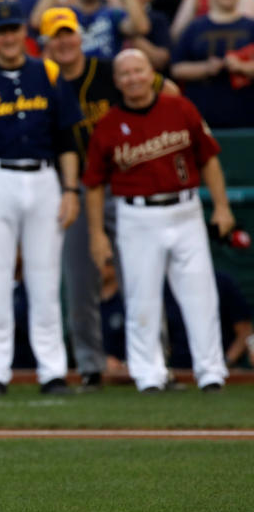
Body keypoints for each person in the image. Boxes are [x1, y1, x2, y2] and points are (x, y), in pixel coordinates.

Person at [0, 0, 82, 396]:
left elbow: (67, 140)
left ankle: (52, 370)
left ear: (23, 31)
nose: (8, 37)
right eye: (1, 30)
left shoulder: (51, 73)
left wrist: (71, 190)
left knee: (44, 278)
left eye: (13, 29)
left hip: (43, 179)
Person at [84, 49, 235, 393]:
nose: (133, 78)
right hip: (136, 214)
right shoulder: (107, 125)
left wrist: (222, 207)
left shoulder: (180, 108)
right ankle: (148, 374)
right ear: (117, 81)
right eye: (125, 73)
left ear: (151, 73)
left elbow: (209, 158)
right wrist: (96, 234)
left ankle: (211, 371)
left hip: (185, 209)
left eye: (139, 71)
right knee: (141, 297)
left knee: (200, 293)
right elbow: (92, 185)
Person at [41, 6, 176, 390]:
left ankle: (154, 362)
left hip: (127, 181)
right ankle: (90, 365)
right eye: (56, 36)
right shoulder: (47, 80)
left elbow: (164, 90)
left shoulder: (106, 70)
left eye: (68, 33)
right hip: (77, 187)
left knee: (143, 276)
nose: (64, 42)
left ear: (79, 36)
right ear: (47, 44)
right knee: (80, 279)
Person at [171, 0, 254, 129]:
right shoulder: (194, 28)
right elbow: (176, 68)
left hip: (246, 118)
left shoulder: (250, 27)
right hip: (202, 118)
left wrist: (243, 67)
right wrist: (205, 68)